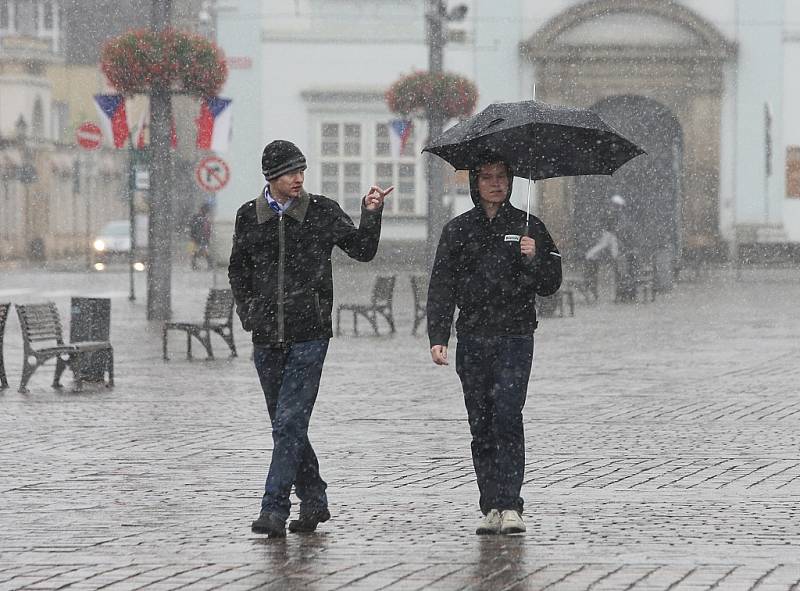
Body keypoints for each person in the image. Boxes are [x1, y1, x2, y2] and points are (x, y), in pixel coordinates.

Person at [228, 140, 392, 538]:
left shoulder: (320, 211)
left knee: (288, 423)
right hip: (266, 337)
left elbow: (363, 251)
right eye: (289, 172)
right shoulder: (249, 216)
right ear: (271, 177)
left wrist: (371, 214)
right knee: (287, 426)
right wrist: (249, 313)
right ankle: (315, 498)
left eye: (301, 170)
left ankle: (274, 508)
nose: (298, 178)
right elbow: (239, 271)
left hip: (309, 335)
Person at [427, 155, 562, 535]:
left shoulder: (528, 226)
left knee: (507, 415)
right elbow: (442, 286)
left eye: (502, 177)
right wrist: (438, 336)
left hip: (515, 336)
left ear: (511, 181)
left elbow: (551, 283)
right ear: (475, 182)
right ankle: (490, 504)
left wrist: (535, 258)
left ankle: (510, 504)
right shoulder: (458, 230)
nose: (495, 184)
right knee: (481, 422)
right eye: (487, 177)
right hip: (472, 337)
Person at [583, 195, 624, 301]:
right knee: (604, 246)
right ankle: (592, 255)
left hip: (609, 233)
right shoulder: (611, 213)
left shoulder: (611, 213)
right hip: (608, 233)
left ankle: (594, 255)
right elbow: (609, 226)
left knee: (607, 246)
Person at [189, 203, 213, 270]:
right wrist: (194, 237)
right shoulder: (198, 217)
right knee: (198, 251)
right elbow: (194, 228)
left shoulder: (202, 217)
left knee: (198, 251)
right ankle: (195, 266)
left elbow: (206, 229)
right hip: (199, 238)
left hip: (201, 238)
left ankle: (195, 266)